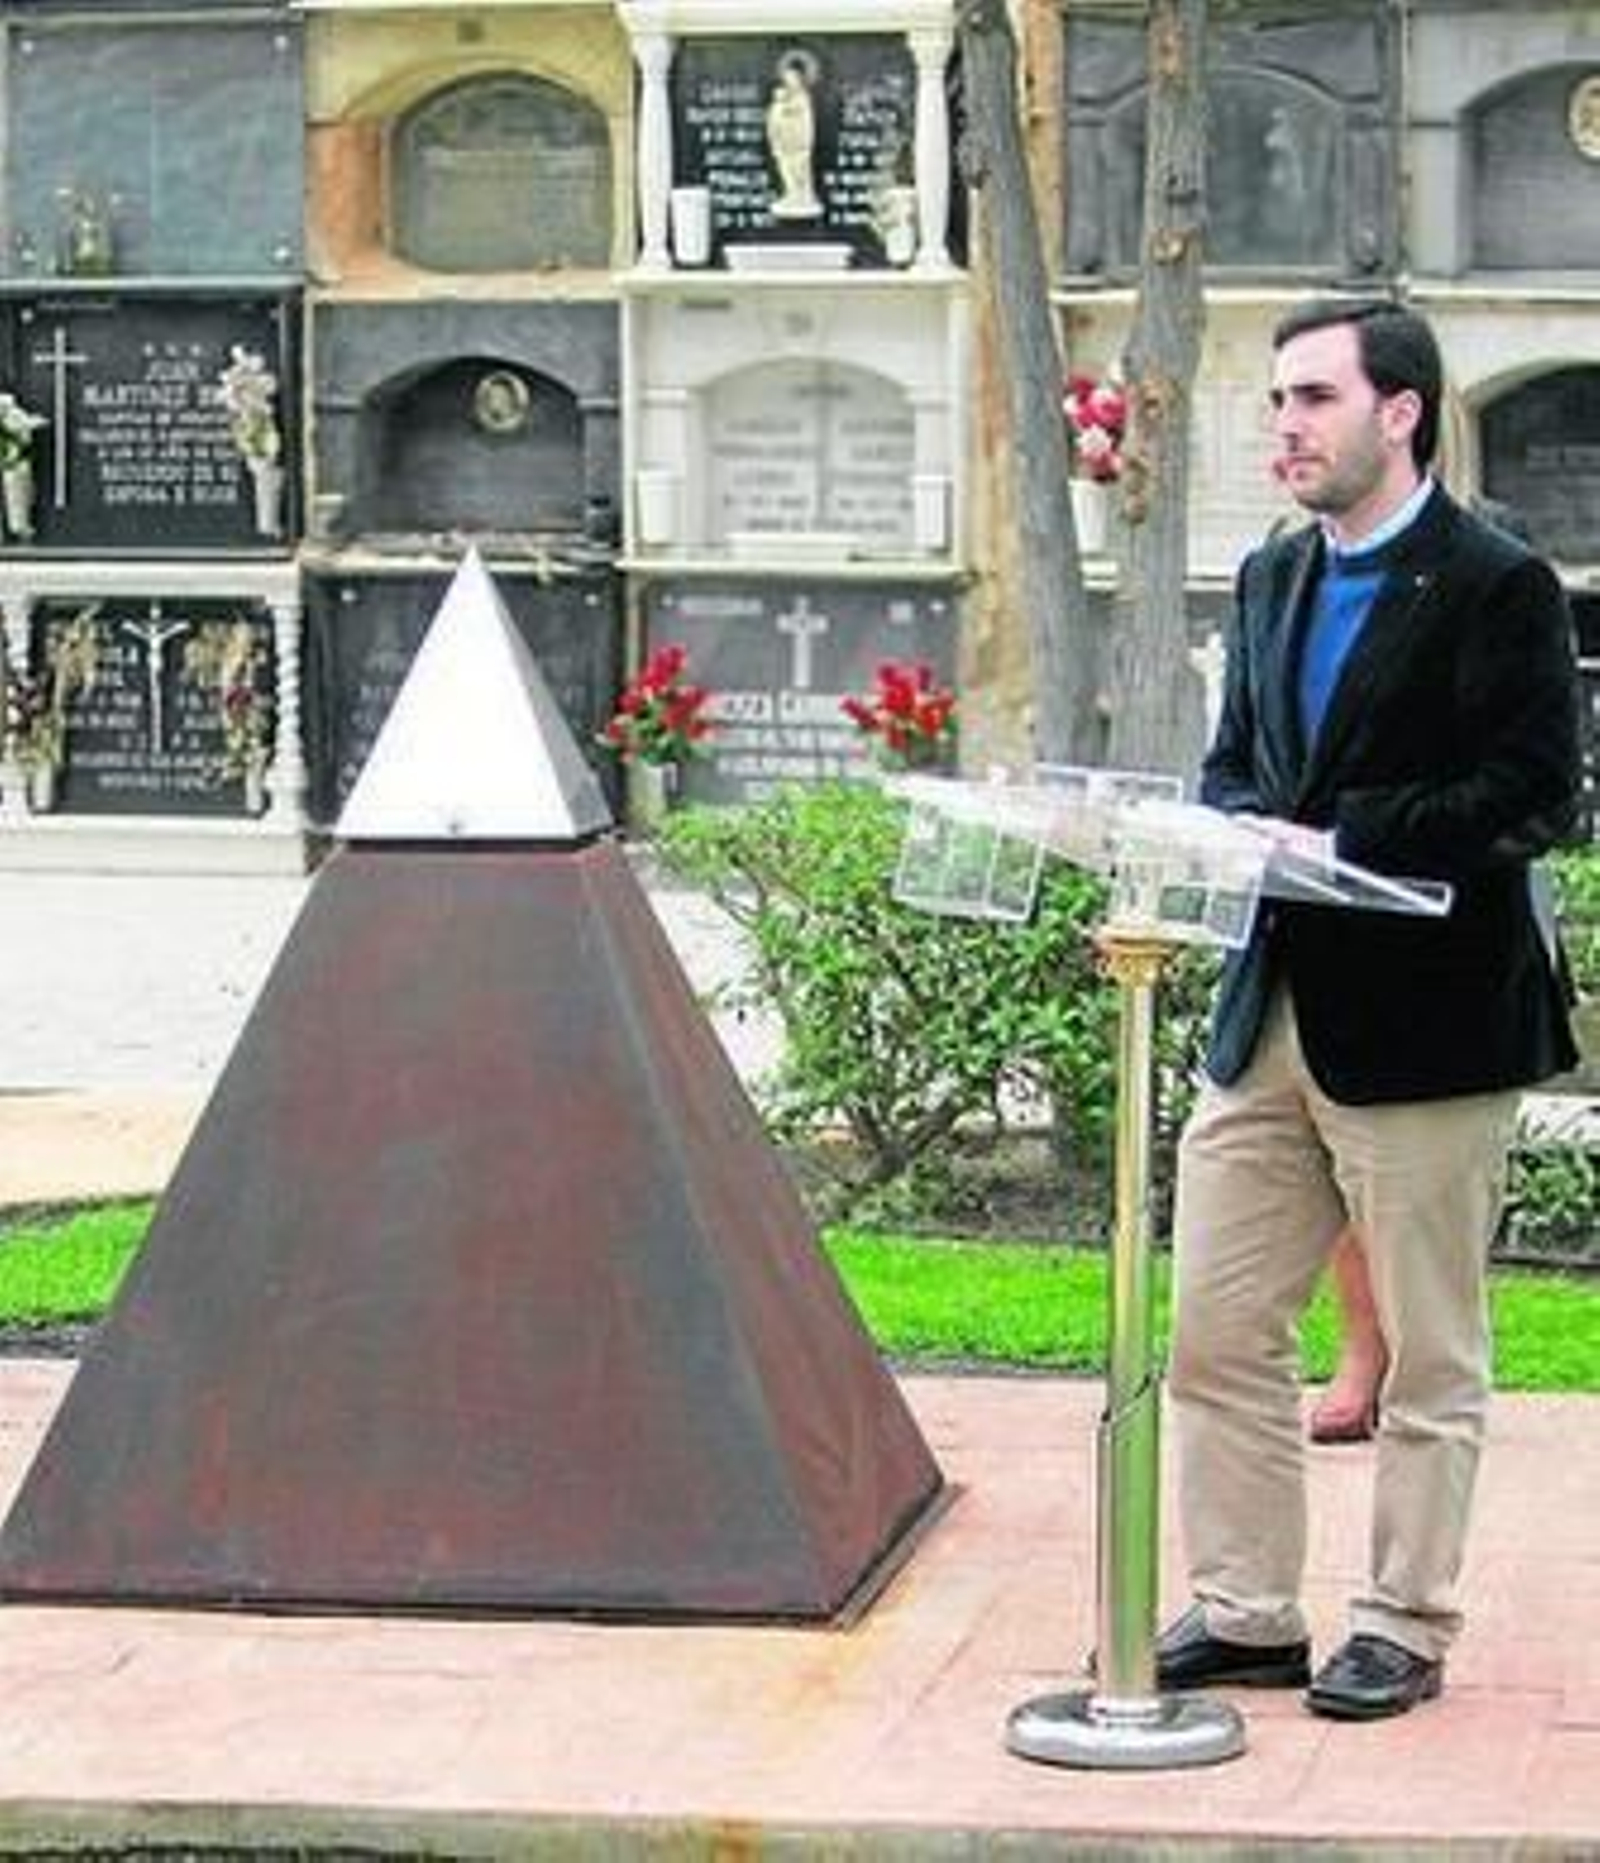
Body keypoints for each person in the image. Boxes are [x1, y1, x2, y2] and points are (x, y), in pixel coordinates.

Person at [1156, 297, 1581, 1721]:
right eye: (1279, 399)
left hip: (1428, 1028)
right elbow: (1233, 770)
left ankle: (1403, 1616)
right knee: (1214, 1328)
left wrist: (1343, 834)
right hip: (1268, 1008)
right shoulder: (1272, 574)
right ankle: (1247, 1609)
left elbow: (1535, 794)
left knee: (1430, 1347)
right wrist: (1236, 833)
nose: (1285, 424)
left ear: (1399, 412)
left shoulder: (1495, 582)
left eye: (1313, 398)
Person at [767, 51, 821, 221]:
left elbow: (802, 119)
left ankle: (802, 196)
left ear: (799, 79)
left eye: (792, 78)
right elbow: (775, 117)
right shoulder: (785, 97)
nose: (789, 81)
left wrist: (784, 105)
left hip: (798, 144)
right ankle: (791, 194)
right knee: (786, 170)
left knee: (798, 172)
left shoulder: (802, 98)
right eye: (786, 78)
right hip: (785, 144)